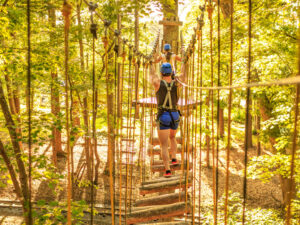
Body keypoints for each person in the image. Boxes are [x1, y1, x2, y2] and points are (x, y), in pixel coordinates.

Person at [149, 61, 186, 177]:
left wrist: (151, 62)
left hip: (163, 116)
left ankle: (167, 170)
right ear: (171, 72)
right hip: (175, 115)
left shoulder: (157, 83)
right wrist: (184, 62)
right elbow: (183, 75)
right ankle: (174, 158)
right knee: (173, 136)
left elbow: (152, 75)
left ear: (161, 73)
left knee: (164, 145)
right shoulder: (177, 83)